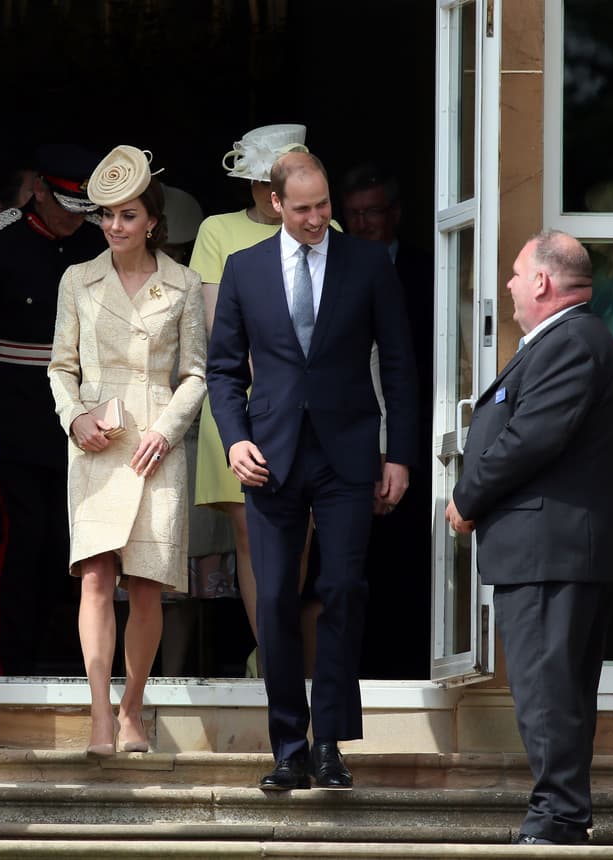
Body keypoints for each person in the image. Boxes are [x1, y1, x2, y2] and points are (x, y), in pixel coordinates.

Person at [207, 151, 418, 790]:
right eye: (303, 208)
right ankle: (287, 747)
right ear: (275, 203)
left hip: (348, 454)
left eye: (323, 205)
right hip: (270, 458)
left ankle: (329, 744)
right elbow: (221, 369)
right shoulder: (243, 270)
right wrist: (235, 440)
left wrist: (400, 453)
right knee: (272, 598)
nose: (317, 218)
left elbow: (402, 363)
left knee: (342, 591)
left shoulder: (367, 262)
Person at [444, 229, 613, 845]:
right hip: (551, 549)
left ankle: (556, 818)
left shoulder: (572, 341)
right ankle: (562, 815)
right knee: (552, 691)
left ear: (544, 283)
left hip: (554, 552)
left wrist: (468, 497)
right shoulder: (560, 340)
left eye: (516, 273)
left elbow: (532, 438)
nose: (508, 285)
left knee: (549, 692)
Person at [48, 145, 207, 755]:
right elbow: (61, 366)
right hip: (97, 442)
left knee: (146, 584)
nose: (115, 226)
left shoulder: (184, 282)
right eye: (107, 215)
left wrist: (167, 430)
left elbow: (195, 372)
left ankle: (131, 709)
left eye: (128, 215)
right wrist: (75, 418)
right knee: (94, 575)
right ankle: (96, 714)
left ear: (153, 222)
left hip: (156, 444)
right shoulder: (77, 280)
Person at [189, 123, 313, 669]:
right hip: (240, 400)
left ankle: (279, 642)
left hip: (305, 403)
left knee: (300, 533)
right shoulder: (217, 230)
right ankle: (271, 656)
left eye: (280, 179)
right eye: (265, 181)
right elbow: (217, 325)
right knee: (250, 530)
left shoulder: (319, 222)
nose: (272, 191)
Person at [0, 144, 107, 677]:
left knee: (69, 545)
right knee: (21, 538)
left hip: (78, 419)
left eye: (84, 209)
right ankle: (6, 661)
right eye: (64, 205)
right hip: (15, 415)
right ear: (38, 189)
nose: (73, 219)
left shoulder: (96, 246)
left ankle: (54, 660)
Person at [338, 162, 433, 680]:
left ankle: (410, 671)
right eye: (353, 214)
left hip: (414, 435)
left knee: (410, 564)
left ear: (395, 212)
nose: (363, 223)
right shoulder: (333, 267)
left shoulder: (430, 267)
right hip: (349, 441)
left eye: (372, 211)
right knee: (353, 571)